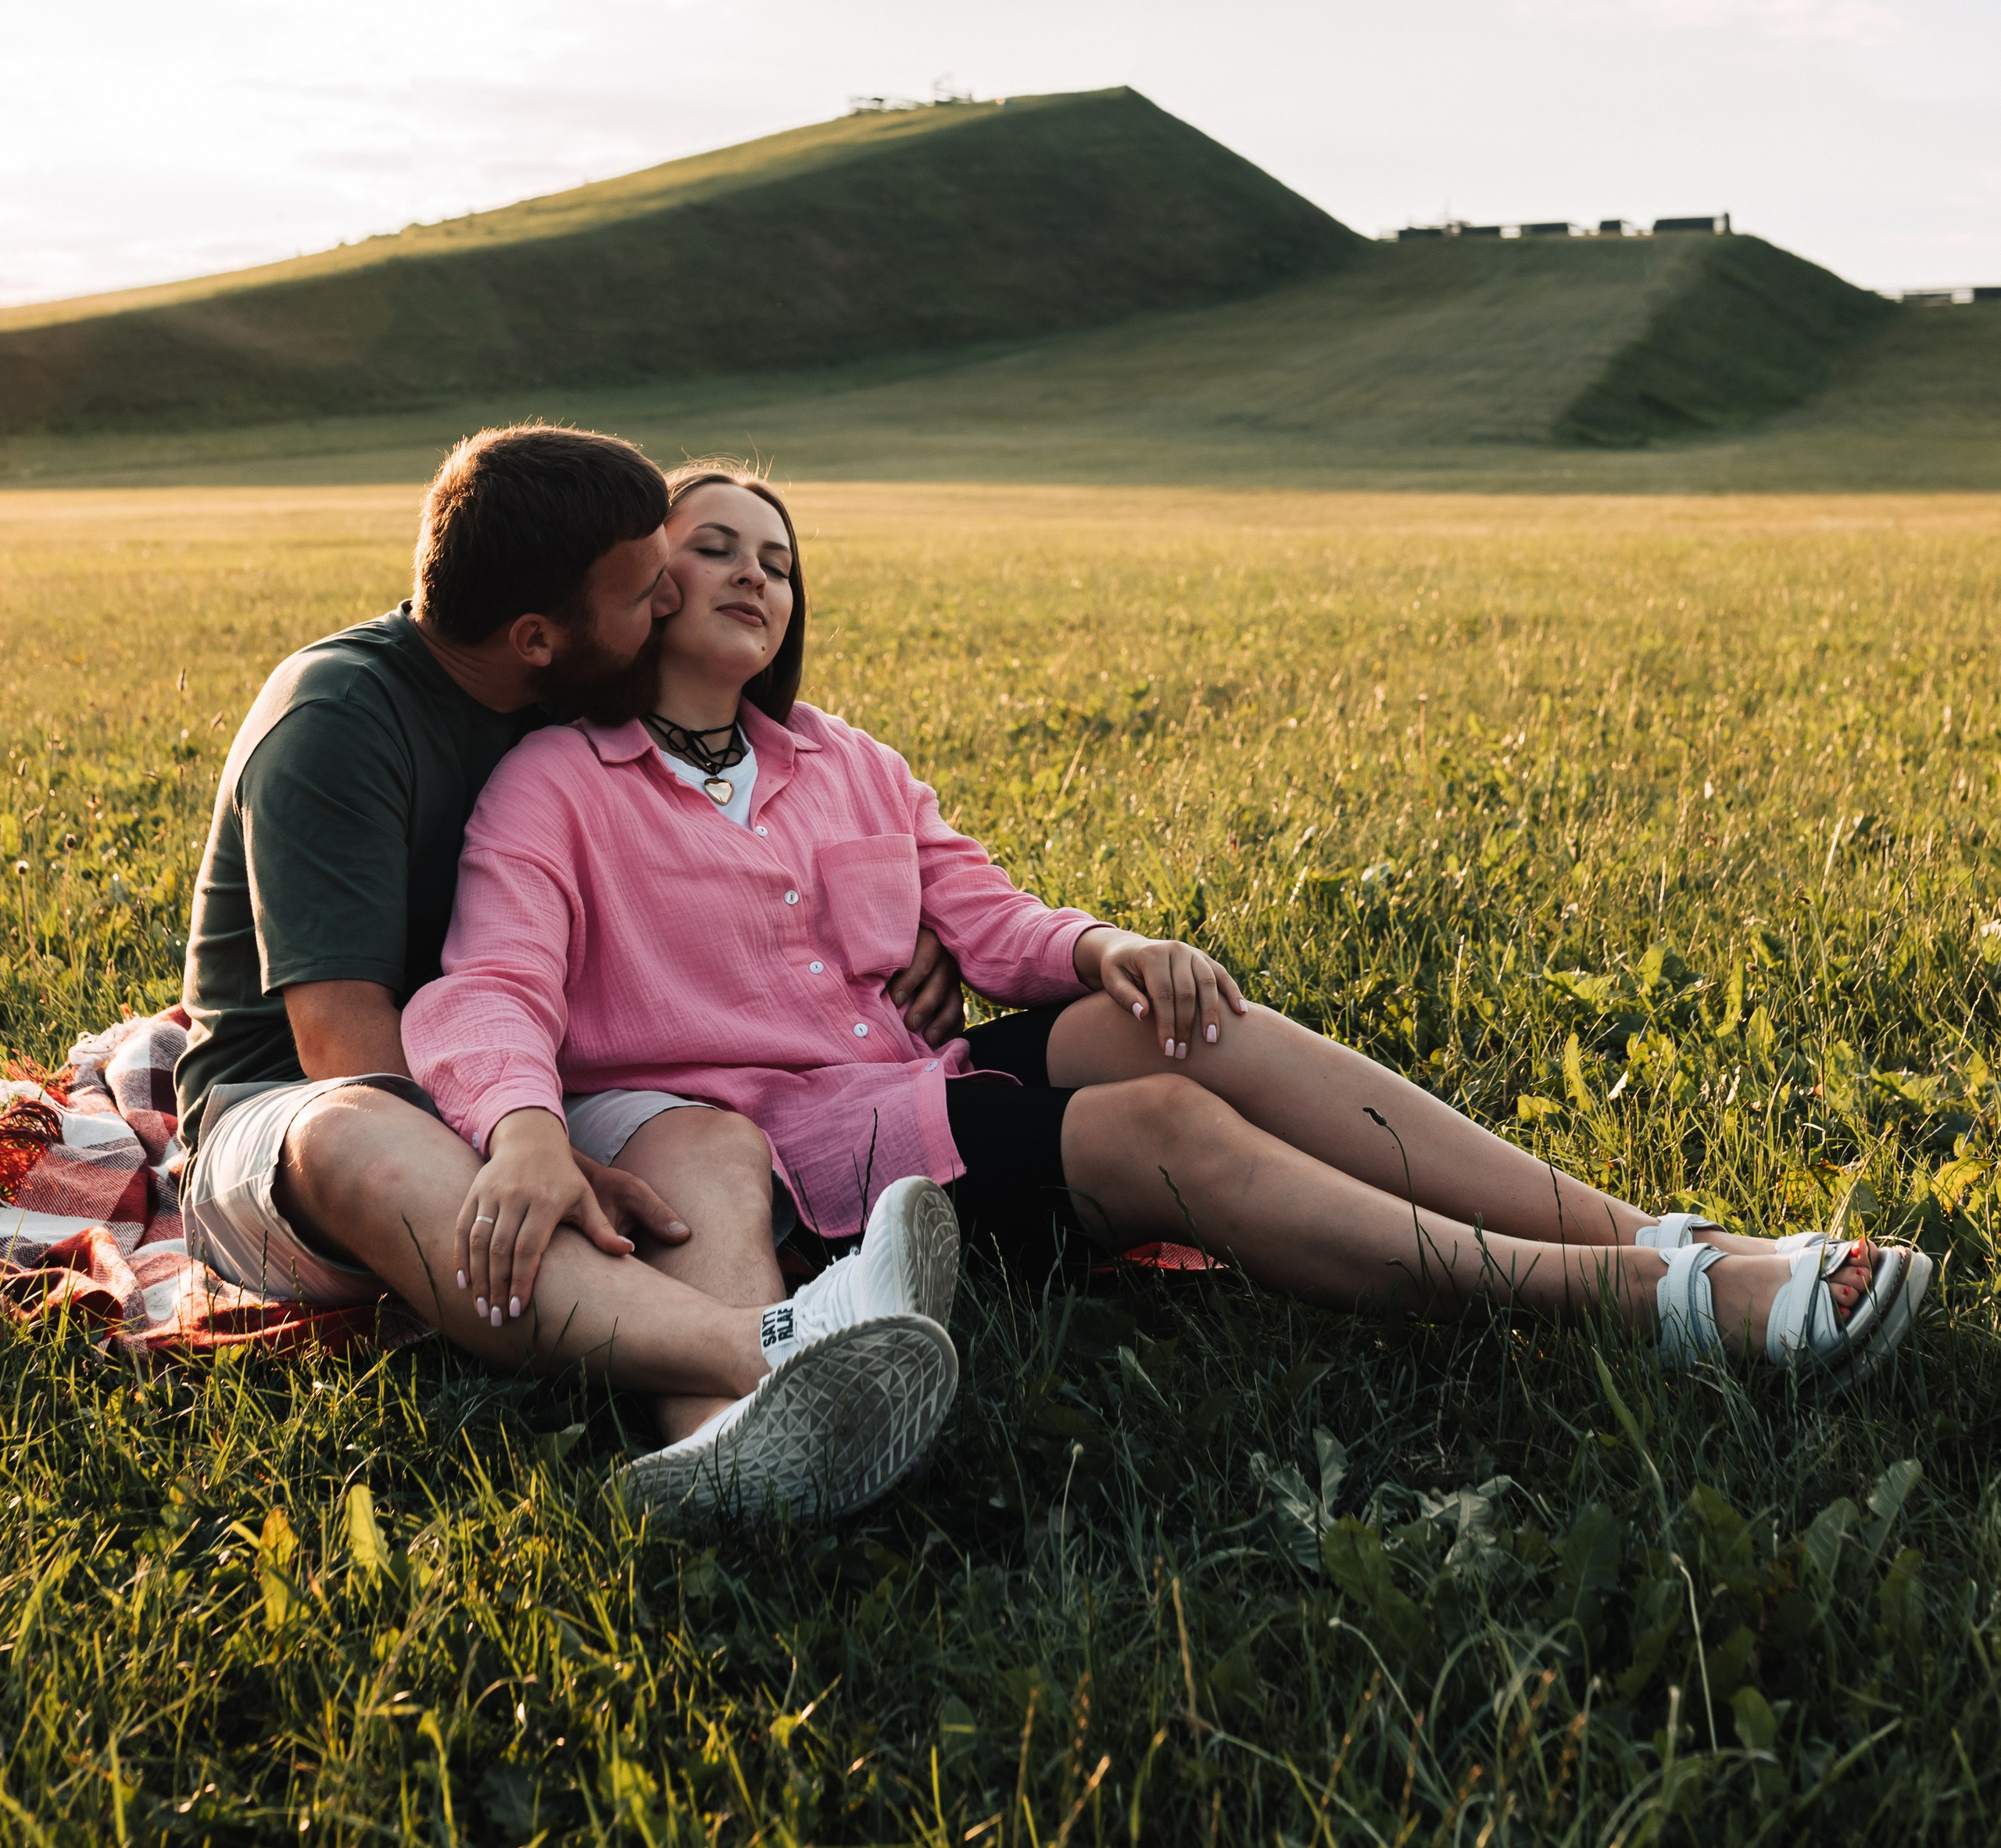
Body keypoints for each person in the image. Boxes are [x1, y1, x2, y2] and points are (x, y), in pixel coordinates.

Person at [403, 466, 1933, 1495]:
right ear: (632, 586)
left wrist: (1108, 950)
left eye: (781, 561)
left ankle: (1655, 1235)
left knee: (1167, 1018)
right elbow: (489, 985)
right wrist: (525, 1124)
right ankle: (1643, 1302)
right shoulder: (558, 779)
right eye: (712, 543)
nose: (754, 573)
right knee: (1153, 1129)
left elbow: (993, 925)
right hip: (778, 1160)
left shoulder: (849, 765)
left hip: (912, 1094)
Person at [176, 424, 969, 1520]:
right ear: (539, 638)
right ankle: (781, 1342)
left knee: (698, 1137)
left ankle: (736, 1455)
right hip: (301, 1117)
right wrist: (523, 1147)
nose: (669, 605)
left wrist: (908, 928)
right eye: (647, 590)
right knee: (354, 1124)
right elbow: (342, 1047)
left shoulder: (554, 688)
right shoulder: (337, 721)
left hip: (515, 1078)